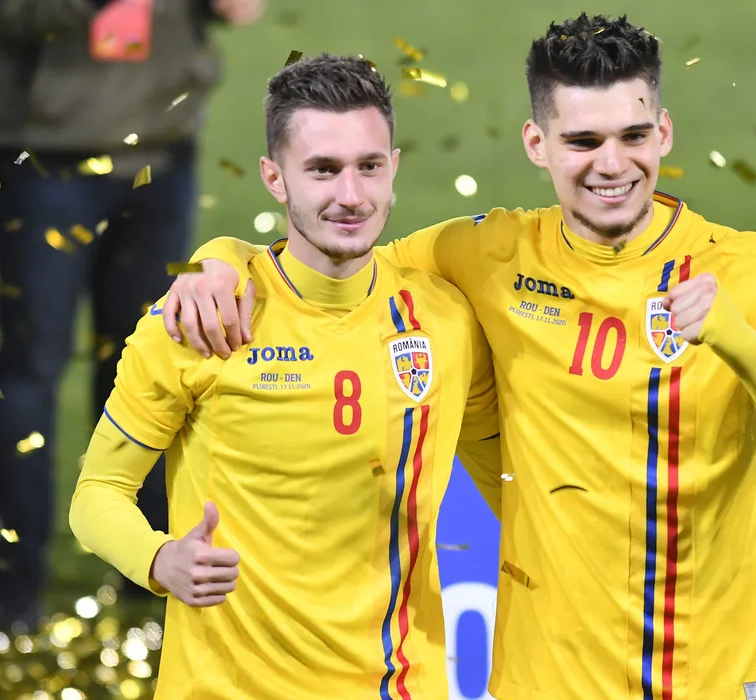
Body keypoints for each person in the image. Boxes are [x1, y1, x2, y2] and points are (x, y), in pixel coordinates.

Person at [163, 14, 756, 700]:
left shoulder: (746, 271)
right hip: (546, 679)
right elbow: (330, 256)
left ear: (664, 132)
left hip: (718, 669)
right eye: (582, 141)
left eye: (633, 136)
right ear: (537, 143)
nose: (612, 164)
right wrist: (221, 258)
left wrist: (736, 339)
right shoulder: (488, 255)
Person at [69, 53, 501, 699]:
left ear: (394, 167)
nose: (350, 196)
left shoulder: (445, 320)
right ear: (274, 178)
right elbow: (97, 493)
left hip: (401, 687)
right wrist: (159, 559)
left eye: (368, 166)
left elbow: (508, 476)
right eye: (322, 169)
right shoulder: (200, 320)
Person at [0, 0, 265, 628]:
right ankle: (14, 593)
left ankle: (153, 575)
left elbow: (240, 10)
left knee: (156, 364)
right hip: (44, 158)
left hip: (162, 152)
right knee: (30, 374)